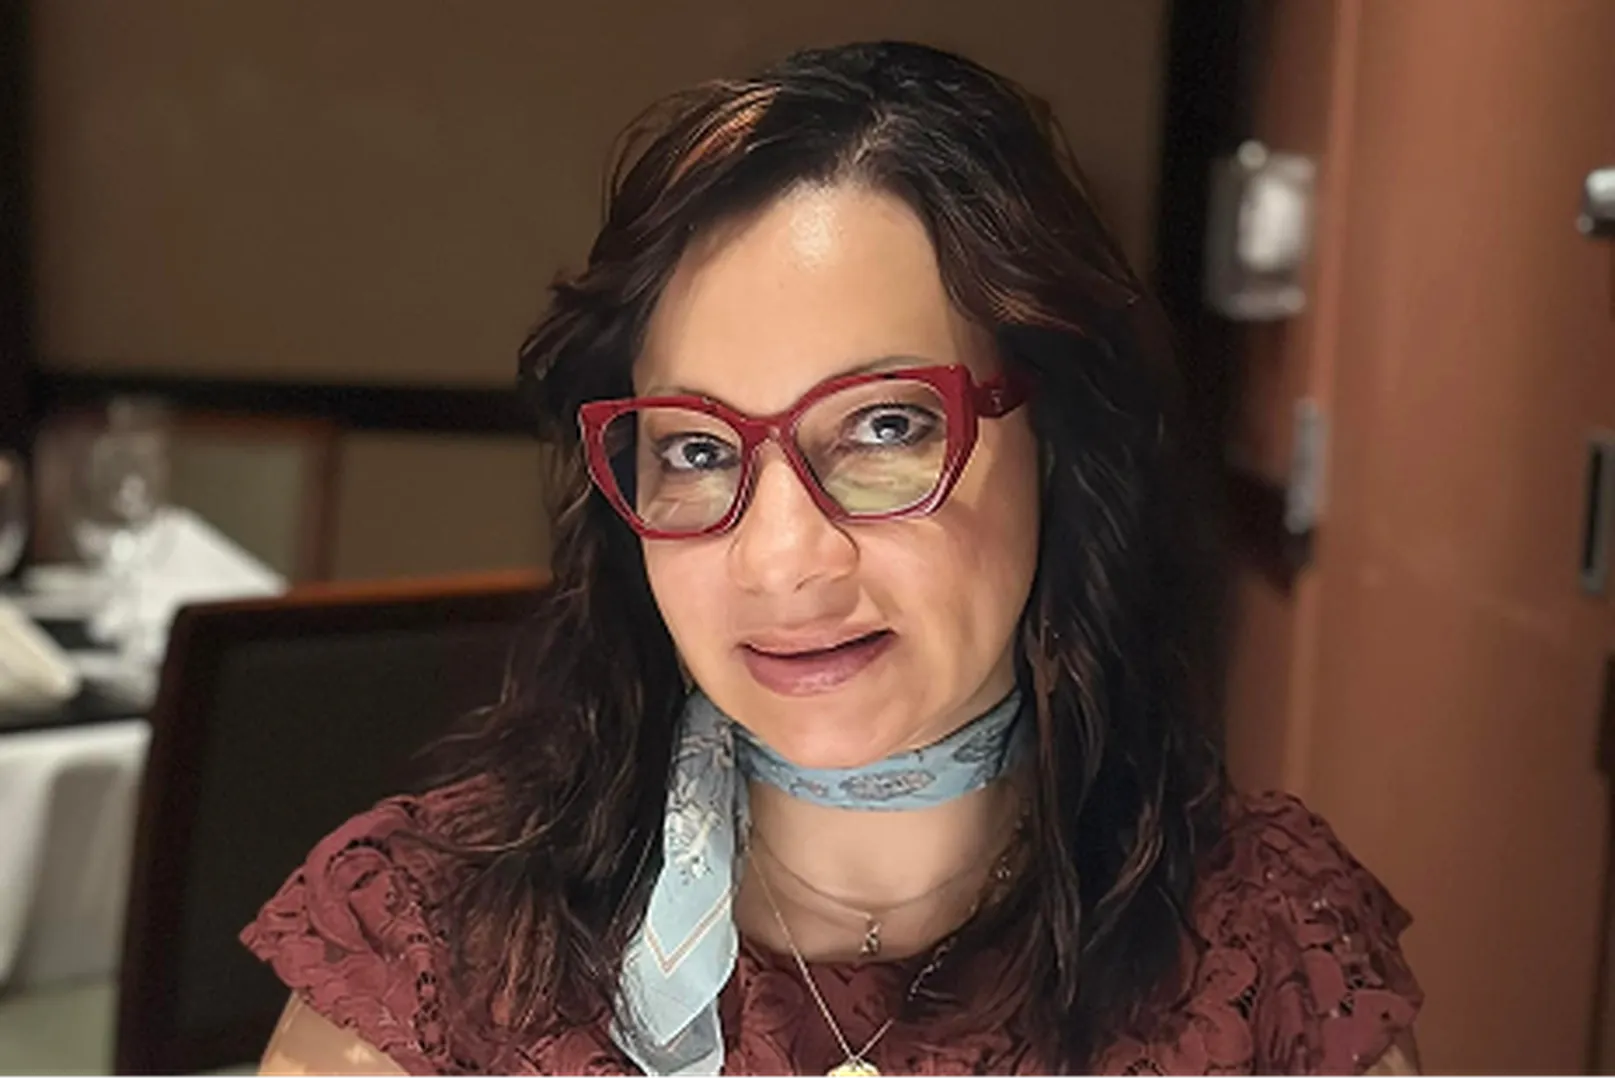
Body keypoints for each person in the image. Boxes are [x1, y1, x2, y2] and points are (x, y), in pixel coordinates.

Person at [244, 41, 1422, 1079]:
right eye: (700, 448)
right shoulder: (424, 948)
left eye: (886, 427)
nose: (783, 557)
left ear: (1059, 439)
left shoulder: (1264, 955)